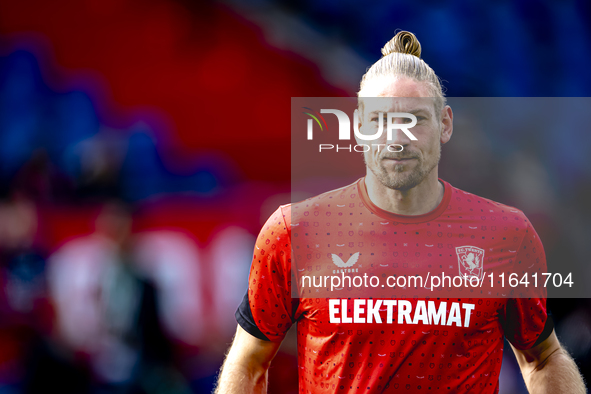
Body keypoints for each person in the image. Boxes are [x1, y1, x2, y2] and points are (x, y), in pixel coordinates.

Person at [215, 31, 586, 393]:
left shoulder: (505, 233)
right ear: (359, 127)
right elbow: (249, 361)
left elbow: (542, 357)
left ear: (445, 124)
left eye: (415, 119)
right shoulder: (295, 231)